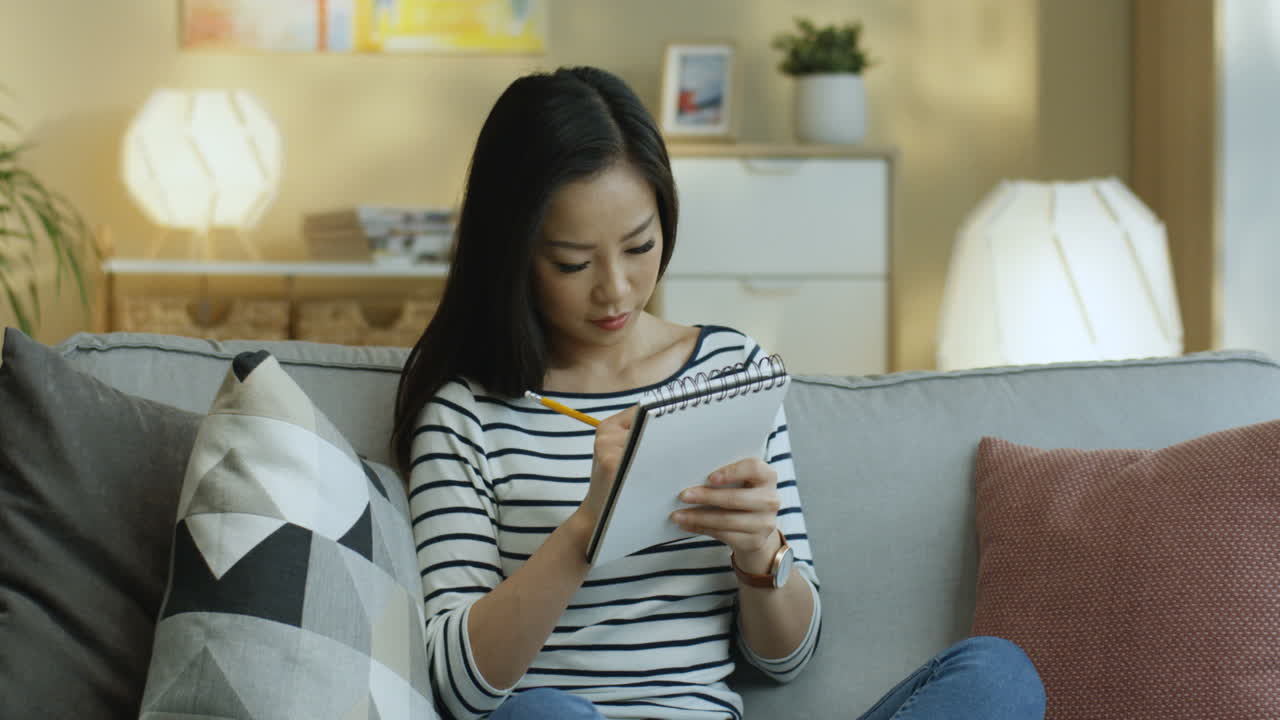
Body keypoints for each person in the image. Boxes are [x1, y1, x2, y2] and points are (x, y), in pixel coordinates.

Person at [392, 66, 1045, 720]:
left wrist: (762, 553)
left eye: (639, 246)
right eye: (572, 262)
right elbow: (457, 685)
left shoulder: (729, 371)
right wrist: (588, 527)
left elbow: (786, 659)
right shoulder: (466, 413)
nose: (615, 288)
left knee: (997, 675)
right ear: (514, 249)